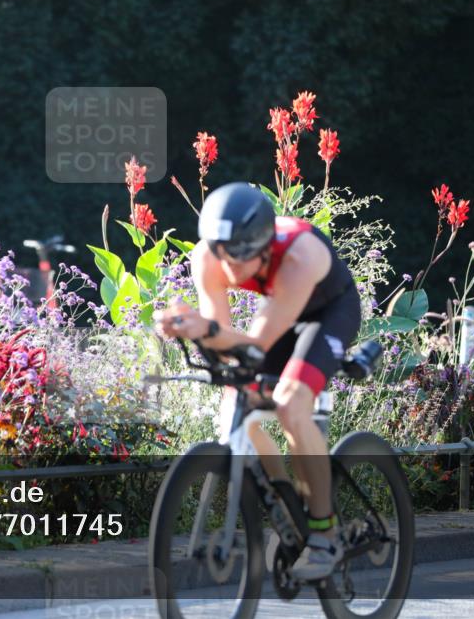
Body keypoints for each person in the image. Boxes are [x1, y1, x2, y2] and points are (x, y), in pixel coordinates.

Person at [154, 182, 361, 580]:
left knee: (289, 403)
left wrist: (204, 327)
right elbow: (229, 343)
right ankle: (286, 511)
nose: (229, 267)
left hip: (330, 312)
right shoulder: (207, 257)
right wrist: (191, 328)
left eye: (241, 257)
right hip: (281, 312)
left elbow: (255, 342)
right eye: (222, 254)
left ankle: (324, 533)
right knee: (237, 402)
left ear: (265, 247)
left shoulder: (300, 256)